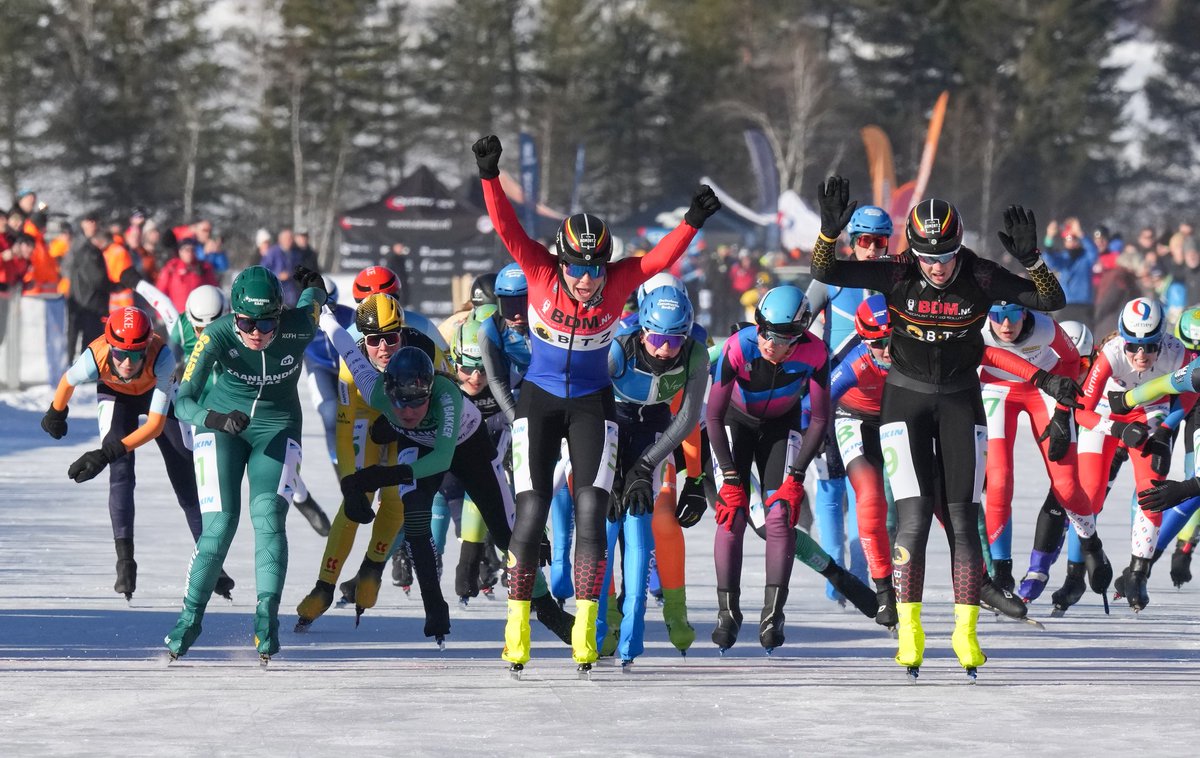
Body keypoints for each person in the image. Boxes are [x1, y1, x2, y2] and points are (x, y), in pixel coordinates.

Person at [472, 133, 720, 673]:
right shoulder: (540, 270)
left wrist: (691, 222)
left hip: (592, 404)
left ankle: (586, 629)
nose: (586, 279)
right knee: (532, 509)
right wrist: (490, 176)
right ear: (559, 261)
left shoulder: (617, 281)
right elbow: (508, 228)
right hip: (538, 399)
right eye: (577, 268)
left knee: (591, 509)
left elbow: (659, 259)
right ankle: (516, 628)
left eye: (596, 269)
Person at [811, 177, 1068, 679]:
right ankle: (910, 631)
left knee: (964, 522)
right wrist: (827, 233)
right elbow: (826, 270)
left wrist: (1033, 260)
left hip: (959, 403)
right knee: (912, 520)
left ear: (959, 247)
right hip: (904, 402)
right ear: (914, 250)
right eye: (928, 257)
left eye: (945, 256)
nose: (936, 267)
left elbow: (1050, 300)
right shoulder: (898, 270)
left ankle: (965, 632)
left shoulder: (981, 274)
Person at [314, 303, 574, 646]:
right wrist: (324, 313)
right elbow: (346, 347)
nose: (409, 411)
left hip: (466, 446)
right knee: (415, 519)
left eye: (417, 402)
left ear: (430, 391)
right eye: (400, 403)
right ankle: (434, 606)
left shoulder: (447, 396)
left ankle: (546, 608)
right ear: (387, 392)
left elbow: (441, 459)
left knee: (505, 534)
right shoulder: (375, 390)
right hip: (419, 445)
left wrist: (377, 476)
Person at [164, 265, 327, 663]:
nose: (257, 332)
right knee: (219, 525)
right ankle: (188, 620)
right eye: (246, 322)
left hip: (277, 425)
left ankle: (266, 617)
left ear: (280, 315)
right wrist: (215, 419)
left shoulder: (300, 325)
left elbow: (313, 301)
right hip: (222, 424)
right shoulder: (217, 334)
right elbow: (183, 401)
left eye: (267, 322)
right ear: (233, 316)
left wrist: (315, 287)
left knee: (269, 516)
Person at [41, 307, 232, 601]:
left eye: (135, 354)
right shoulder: (95, 356)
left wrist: (104, 453)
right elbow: (68, 381)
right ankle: (125, 562)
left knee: (184, 473)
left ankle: (211, 562)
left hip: (157, 392)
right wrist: (56, 412)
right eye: (120, 354)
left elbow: (154, 426)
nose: (127, 363)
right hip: (115, 395)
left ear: (147, 347)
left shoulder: (162, 358)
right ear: (110, 347)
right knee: (121, 472)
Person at [706, 285, 830, 653]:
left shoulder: (815, 352)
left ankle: (773, 613)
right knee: (732, 514)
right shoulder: (739, 346)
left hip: (780, 426)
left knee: (780, 516)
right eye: (763, 331)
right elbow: (713, 417)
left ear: (798, 336)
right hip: (735, 421)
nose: (767, 343)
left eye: (779, 338)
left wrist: (796, 478)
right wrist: (730, 478)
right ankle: (727, 612)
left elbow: (819, 419)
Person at [598, 285, 708, 664]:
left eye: (674, 341)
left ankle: (646, 625)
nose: (664, 350)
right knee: (605, 522)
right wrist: (611, 473)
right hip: (609, 423)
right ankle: (605, 620)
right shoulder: (619, 348)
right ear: (643, 330)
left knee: (643, 523)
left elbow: (687, 419)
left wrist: (645, 467)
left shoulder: (695, 353)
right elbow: (590, 403)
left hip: (656, 431)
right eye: (658, 339)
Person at [978, 301, 1110, 603]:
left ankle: (1091, 544)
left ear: (1025, 314)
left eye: (1013, 315)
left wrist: (1062, 411)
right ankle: (1001, 571)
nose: (1006, 325)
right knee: (998, 481)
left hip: (1045, 389)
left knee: (1066, 485)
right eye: (997, 316)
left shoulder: (1045, 327)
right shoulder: (978, 327)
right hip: (996, 389)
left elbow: (1073, 361)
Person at [804, 204, 894, 603]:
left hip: (880, 401)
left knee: (870, 491)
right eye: (865, 241)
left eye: (880, 242)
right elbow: (797, 323)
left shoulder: (896, 282)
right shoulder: (832, 279)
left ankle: (859, 571)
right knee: (830, 486)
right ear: (851, 241)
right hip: (833, 396)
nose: (872, 249)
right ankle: (835, 571)